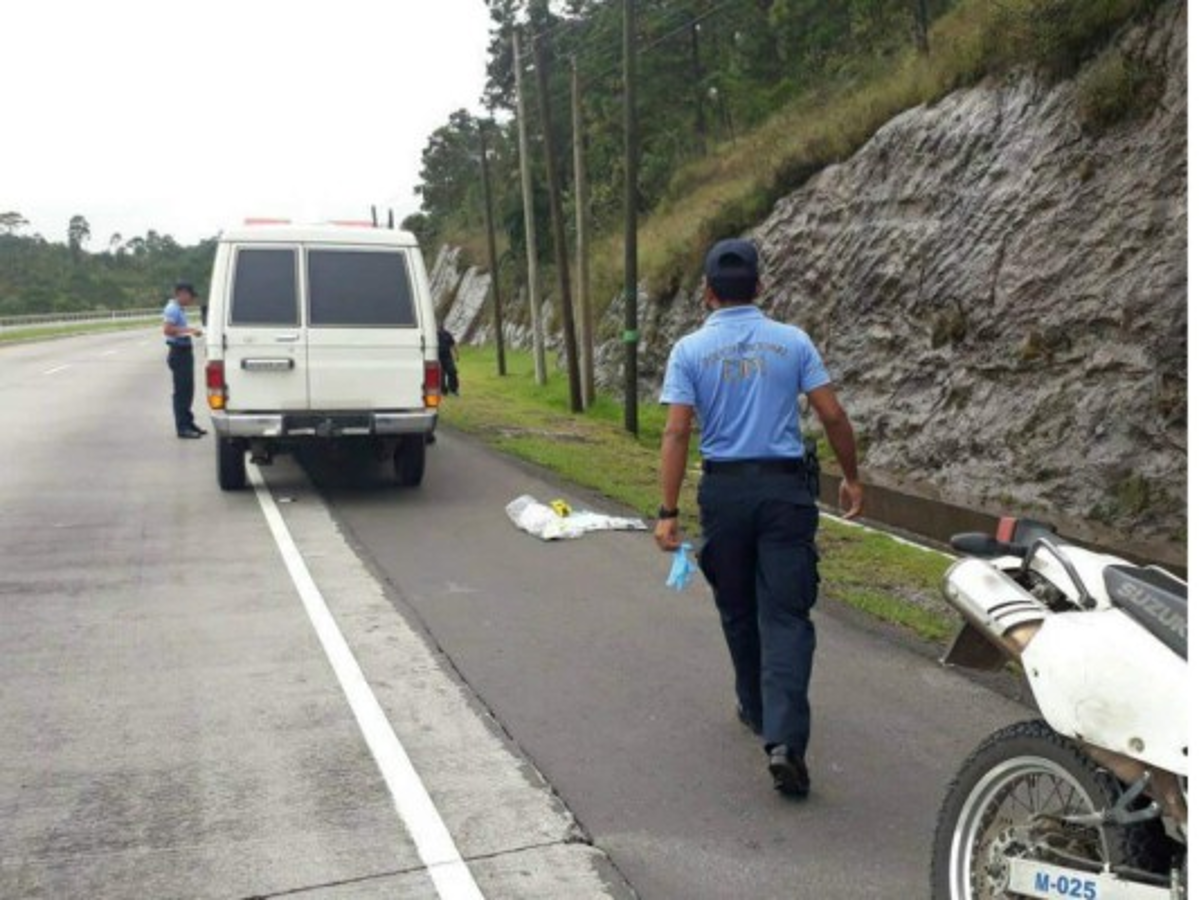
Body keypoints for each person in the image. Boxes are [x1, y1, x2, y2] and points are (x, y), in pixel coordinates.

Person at [654, 238, 864, 798]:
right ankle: (785, 740)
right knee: (788, 615)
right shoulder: (791, 342)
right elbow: (833, 414)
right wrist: (851, 476)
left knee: (737, 607)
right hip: (784, 492)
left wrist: (667, 511)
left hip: (724, 493)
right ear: (760, 288)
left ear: (707, 293)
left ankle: (754, 704)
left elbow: (676, 431)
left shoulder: (689, 351)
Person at [163, 281, 206, 439]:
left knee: (188, 390)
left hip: (184, 351)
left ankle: (188, 422)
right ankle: (182, 427)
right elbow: (167, 329)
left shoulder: (179, 309)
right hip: (178, 352)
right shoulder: (172, 309)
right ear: (181, 293)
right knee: (182, 392)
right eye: (189, 296)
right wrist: (190, 331)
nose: (191, 300)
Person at [438, 324, 460, 396]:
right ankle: (443, 391)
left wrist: (457, 355)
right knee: (441, 374)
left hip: (448, 357)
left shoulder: (447, 334)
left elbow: (453, 344)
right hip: (437, 357)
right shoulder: (433, 335)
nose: (440, 329)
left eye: (441, 327)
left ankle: (454, 389)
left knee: (452, 371)